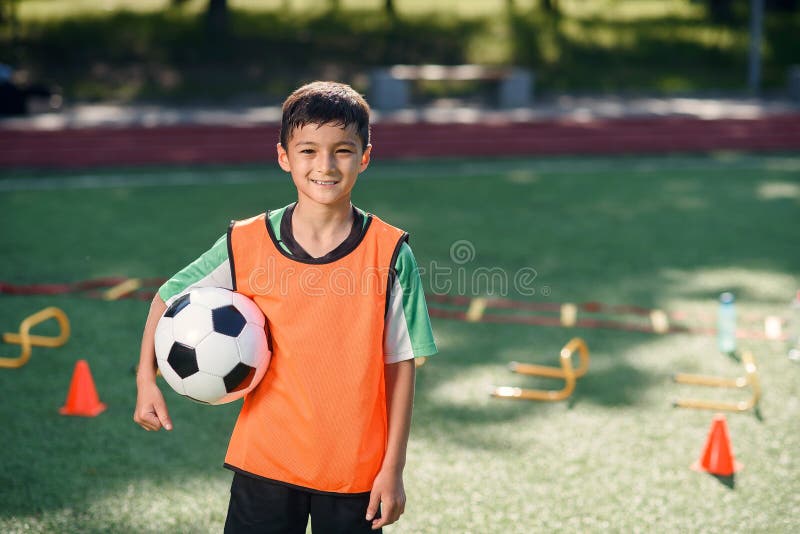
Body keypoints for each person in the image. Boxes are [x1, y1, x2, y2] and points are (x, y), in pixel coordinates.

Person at [134, 81, 438, 533]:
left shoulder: (391, 252)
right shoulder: (246, 241)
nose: (325, 165)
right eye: (309, 150)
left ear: (365, 157)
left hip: (354, 467)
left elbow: (400, 365)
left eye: (343, 150)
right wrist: (146, 379)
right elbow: (168, 295)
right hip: (266, 460)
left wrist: (392, 468)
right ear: (284, 157)